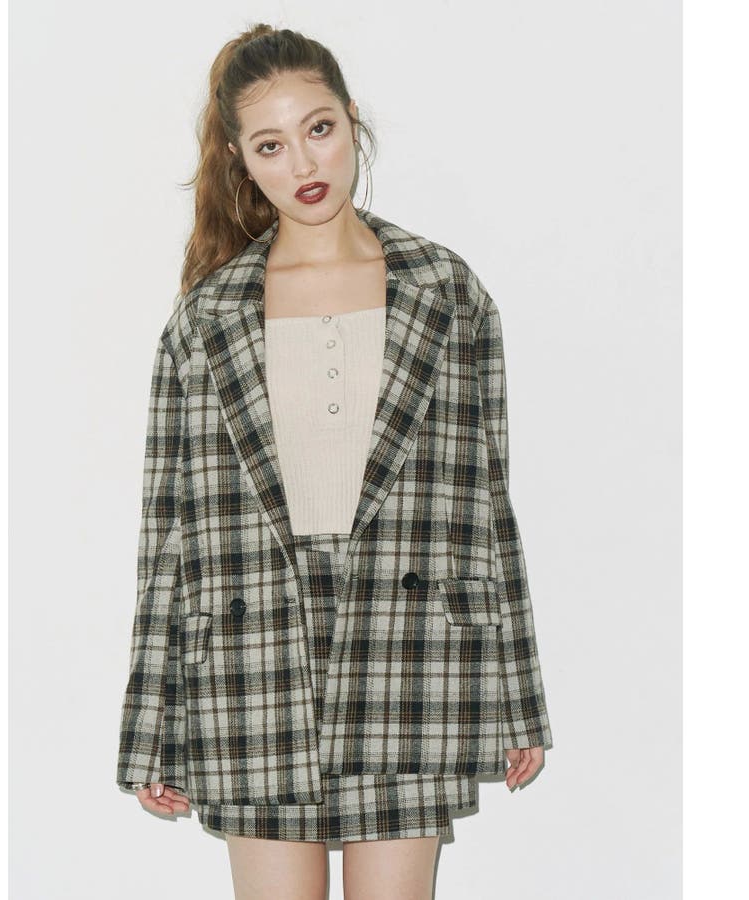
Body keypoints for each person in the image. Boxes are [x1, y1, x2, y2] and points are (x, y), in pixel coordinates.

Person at [116, 23, 553, 900]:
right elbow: (168, 532)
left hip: (412, 646)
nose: (304, 162)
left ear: (352, 119)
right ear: (240, 160)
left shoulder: (445, 291)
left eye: (318, 128)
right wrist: (150, 723)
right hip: (249, 655)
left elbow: (486, 499)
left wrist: (517, 692)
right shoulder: (204, 320)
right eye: (270, 145)